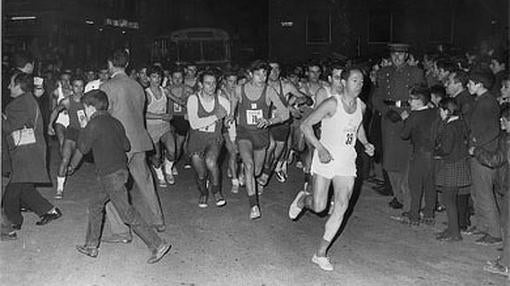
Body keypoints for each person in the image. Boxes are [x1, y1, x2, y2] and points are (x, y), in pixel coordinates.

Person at [289, 67, 374, 271]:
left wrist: (365, 142)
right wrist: (320, 148)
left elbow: (357, 126)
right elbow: (306, 126)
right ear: (343, 83)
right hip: (325, 158)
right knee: (319, 207)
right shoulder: (331, 103)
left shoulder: (361, 106)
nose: (359, 85)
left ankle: (320, 253)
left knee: (342, 206)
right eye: (355, 81)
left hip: (346, 161)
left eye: (362, 82)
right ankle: (303, 199)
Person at [73, 90, 171, 264]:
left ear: (90, 108)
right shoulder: (115, 122)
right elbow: (126, 146)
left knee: (127, 213)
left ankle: (158, 244)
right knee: (95, 205)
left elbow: (83, 148)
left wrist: (82, 131)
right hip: (118, 172)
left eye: (85, 107)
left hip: (109, 175)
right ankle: (91, 245)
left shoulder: (93, 124)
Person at [100, 49, 165, 237]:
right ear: (126, 64)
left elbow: (105, 116)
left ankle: (121, 231)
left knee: (112, 185)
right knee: (145, 181)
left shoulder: (107, 87)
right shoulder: (138, 87)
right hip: (139, 140)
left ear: (110, 64)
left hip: (119, 143)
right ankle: (157, 220)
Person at [2, 72, 62, 235]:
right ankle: (50, 211)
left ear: (19, 86)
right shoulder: (28, 99)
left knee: (12, 191)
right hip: (32, 149)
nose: (8, 87)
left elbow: (8, 127)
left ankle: (11, 223)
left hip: (25, 152)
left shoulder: (17, 104)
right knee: (25, 188)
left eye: (11, 84)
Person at [228, 60, 289, 219]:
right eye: (258, 74)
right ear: (250, 74)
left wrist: (270, 121)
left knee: (256, 171)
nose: (262, 77)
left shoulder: (269, 91)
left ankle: (245, 170)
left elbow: (285, 113)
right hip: (244, 134)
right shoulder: (240, 89)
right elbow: (234, 98)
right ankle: (254, 206)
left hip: (261, 136)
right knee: (249, 166)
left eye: (265, 74)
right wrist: (230, 114)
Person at [372, 43, 425, 212]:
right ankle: (398, 195)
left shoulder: (416, 73)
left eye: (401, 54)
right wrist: (387, 112)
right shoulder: (383, 73)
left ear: (407, 56)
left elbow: (423, 96)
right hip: (389, 120)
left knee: (405, 160)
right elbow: (376, 98)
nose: (397, 57)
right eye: (394, 53)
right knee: (389, 160)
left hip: (408, 116)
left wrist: (410, 113)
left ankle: (407, 197)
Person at [466, 70, 502, 245]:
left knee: (485, 193)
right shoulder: (481, 100)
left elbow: (495, 130)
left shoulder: (487, 102)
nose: (467, 85)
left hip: (484, 154)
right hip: (477, 153)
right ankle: (482, 226)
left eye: (470, 83)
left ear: (479, 84)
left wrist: (476, 144)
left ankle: (494, 233)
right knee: (476, 192)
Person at [187, 70, 230, 207]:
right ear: (200, 84)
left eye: (213, 83)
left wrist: (233, 139)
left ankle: (216, 191)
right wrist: (215, 116)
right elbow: (194, 124)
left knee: (211, 162)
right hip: (196, 140)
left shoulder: (223, 101)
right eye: (207, 83)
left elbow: (229, 122)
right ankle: (204, 192)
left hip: (214, 139)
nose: (211, 87)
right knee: (201, 174)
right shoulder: (193, 99)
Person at [399, 86, 440, 225]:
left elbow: (404, 135)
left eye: (412, 99)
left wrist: (405, 119)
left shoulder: (414, 116)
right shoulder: (434, 112)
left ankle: (414, 215)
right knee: (430, 185)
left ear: (419, 101)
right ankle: (429, 214)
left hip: (419, 154)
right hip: (433, 154)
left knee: (415, 185)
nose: (409, 102)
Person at [434, 98, 471, 241]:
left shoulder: (450, 127)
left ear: (446, 111)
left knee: (448, 200)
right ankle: (451, 229)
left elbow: (446, 148)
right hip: (459, 163)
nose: (440, 113)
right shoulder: (460, 122)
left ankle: (454, 233)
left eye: (441, 110)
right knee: (450, 199)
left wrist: (436, 151)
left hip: (452, 165)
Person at [479, 106, 510, 277]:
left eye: (504, 119)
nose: (500, 121)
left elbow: (494, 160)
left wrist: (477, 151)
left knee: (508, 226)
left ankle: (506, 264)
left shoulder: (507, 140)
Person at [48, 76, 87, 199]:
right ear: (71, 87)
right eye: (76, 86)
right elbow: (55, 111)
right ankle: (59, 189)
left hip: (84, 134)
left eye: (81, 86)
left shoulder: (88, 100)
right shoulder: (67, 101)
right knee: (65, 159)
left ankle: (71, 168)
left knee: (72, 167)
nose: (79, 89)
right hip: (72, 132)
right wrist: (50, 125)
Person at [144, 65, 174, 186]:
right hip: (151, 128)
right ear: (148, 78)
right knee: (156, 156)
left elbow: (178, 101)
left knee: (172, 151)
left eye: (159, 77)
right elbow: (143, 113)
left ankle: (168, 170)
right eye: (154, 77)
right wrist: (161, 116)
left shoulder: (164, 90)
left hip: (165, 126)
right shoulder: (146, 94)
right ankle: (160, 175)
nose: (157, 80)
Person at [166, 66, 194, 174]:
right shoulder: (167, 89)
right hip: (170, 118)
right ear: (170, 78)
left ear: (183, 78)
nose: (177, 80)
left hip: (182, 119)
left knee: (179, 144)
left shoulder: (188, 90)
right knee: (170, 144)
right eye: (175, 77)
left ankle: (171, 163)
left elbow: (191, 104)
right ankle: (169, 165)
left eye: (180, 77)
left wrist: (188, 111)